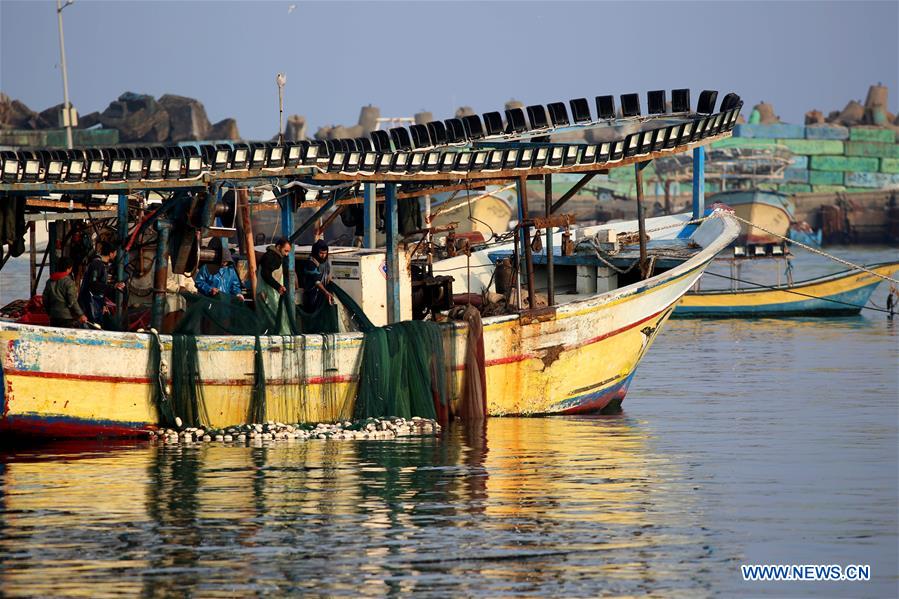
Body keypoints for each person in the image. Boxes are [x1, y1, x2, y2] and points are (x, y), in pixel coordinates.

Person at [78, 241, 125, 325]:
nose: (115, 255)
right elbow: (94, 285)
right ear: (111, 253)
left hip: (96, 303)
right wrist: (113, 286)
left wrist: (103, 303)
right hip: (90, 304)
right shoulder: (97, 264)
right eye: (115, 253)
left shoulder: (100, 264)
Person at [255, 237, 294, 333]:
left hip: (273, 294)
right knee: (275, 318)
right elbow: (266, 274)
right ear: (278, 247)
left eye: (288, 252)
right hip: (267, 294)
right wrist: (278, 286)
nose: (286, 254)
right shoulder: (270, 257)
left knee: (273, 319)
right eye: (285, 251)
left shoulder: (278, 257)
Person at [43, 257, 88, 328]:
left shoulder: (49, 281)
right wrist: (81, 314)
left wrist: (49, 311)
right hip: (67, 317)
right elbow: (72, 301)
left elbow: (45, 299)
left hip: (54, 316)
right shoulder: (68, 282)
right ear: (69, 268)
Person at [301, 239, 334, 312]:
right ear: (316, 252)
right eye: (321, 253)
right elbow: (317, 282)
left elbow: (328, 276)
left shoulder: (325, 263)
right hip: (312, 297)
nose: (323, 256)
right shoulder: (310, 263)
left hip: (322, 296)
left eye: (325, 253)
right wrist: (326, 292)